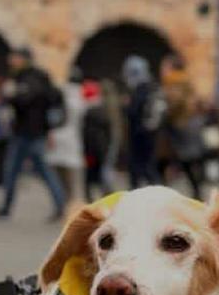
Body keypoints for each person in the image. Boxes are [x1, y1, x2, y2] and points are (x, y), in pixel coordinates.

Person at [0, 46, 66, 221]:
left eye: (14, 57)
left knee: (29, 170)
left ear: (23, 59)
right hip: (28, 131)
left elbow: (26, 99)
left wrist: (10, 95)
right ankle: (6, 207)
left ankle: (60, 205)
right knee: (24, 170)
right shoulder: (31, 77)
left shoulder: (30, 78)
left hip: (29, 132)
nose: (10, 60)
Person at [159, 55, 204, 199]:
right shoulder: (188, 81)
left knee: (172, 161)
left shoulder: (173, 82)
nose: (163, 69)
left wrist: (166, 114)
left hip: (177, 126)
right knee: (188, 162)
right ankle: (197, 193)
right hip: (190, 124)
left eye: (165, 66)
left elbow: (174, 103)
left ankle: (165, 195)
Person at [47, 68, 87, 206]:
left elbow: (52, 115)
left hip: (58, 137)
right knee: (73, 175)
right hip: (74, 139)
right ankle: (72, 201)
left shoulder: (60, 93)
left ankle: (61, 201)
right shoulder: (83, 97)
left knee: (58, 172)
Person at [122, 55, 162, 189]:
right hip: (150, 132)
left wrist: (126, 105)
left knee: (141, 167)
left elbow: (133, 111)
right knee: (148, 165)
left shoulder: (140, 89)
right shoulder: (152, 86)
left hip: (140, 134)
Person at [81, 80, 114, 201]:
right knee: (101, 173)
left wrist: (87, 151)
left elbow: (88, 135)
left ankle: (92, 197)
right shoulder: (103, 111)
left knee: (91, 175)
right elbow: (109, 131)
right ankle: (105, 193)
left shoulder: (89, 114)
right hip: (102, 148)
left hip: (93, 150)